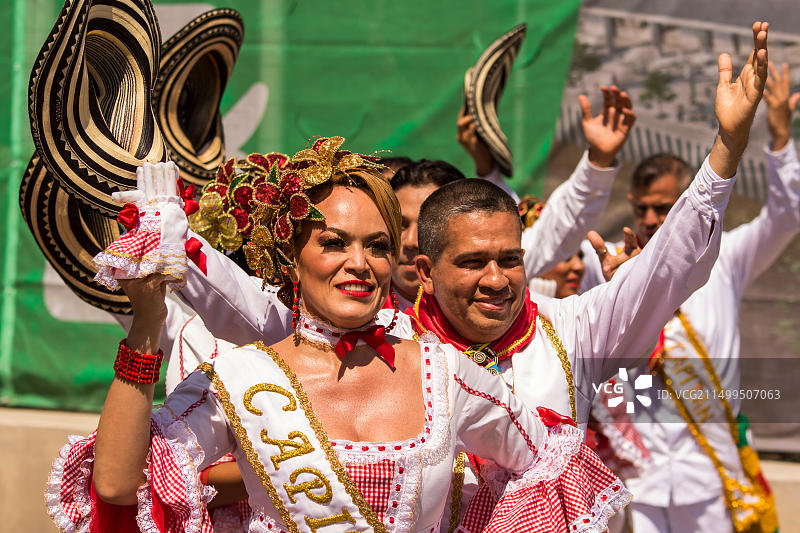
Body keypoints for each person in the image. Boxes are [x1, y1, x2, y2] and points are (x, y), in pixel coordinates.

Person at [47, 137, 627, 533]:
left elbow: (552, 467)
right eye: (333, 243)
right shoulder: (239, 379)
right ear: (291, 259)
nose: (360, 263)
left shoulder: (444, 373)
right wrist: (147, 325)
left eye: (377, 245)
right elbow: (118, 484)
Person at [581, 50, 799, 532]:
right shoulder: (606, 265)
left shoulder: (728, 255)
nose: (651, 219)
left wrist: (781, 139)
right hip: (639, 476)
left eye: (663, 208)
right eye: (642, 208)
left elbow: (785, 217)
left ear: (684, 201)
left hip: (709, 472)